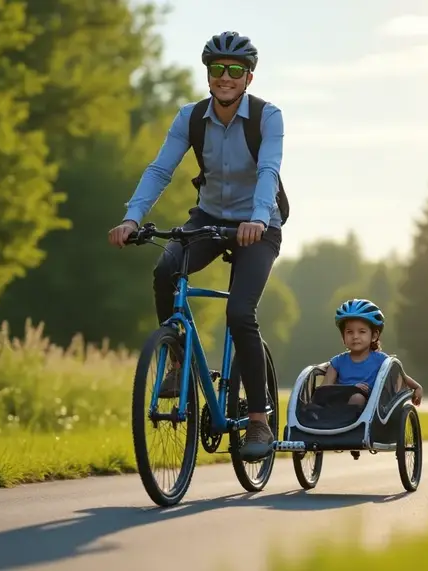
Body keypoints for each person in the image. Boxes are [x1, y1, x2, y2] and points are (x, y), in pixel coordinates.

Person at [107, 31, 283, 462]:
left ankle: (258, 418)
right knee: (165, 271)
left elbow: (269, 171)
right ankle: (175, 362)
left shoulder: (267, 117)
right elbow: (160, 169)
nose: (225, 77)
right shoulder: (190, 117)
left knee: (240, 313)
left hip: (258, 224)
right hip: (207, 219)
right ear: (207, 75)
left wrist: (258, 218)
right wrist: (133, 217)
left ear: (248, 78)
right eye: (217, 69)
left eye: (234, 71)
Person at [320, 299, 424, 407]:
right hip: (336, 407)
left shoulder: (381, 360)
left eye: (362, 332)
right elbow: (324, 391)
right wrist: (351, 388)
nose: (355, 336)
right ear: (343, 337)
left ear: (374, 336)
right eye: (350, 332)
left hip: (370, 412)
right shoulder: (337, 362)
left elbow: (402, 376)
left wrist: (417, 387)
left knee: (357, 398)